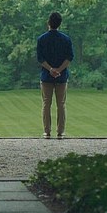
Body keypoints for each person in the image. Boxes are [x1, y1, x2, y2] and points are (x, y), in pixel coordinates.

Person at [36, 11, 74, 140]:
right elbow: (69, 57)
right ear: (60, 24)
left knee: (46, 103)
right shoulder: (66, 39)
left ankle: (47, 131)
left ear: (48, 22)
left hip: (46, 76)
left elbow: (40, 58)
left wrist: (51, 69)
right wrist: (59, 70)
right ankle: (60, 131)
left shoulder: (42, 39)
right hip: (61, 77)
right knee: (61, 104)